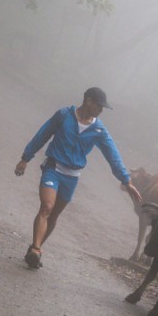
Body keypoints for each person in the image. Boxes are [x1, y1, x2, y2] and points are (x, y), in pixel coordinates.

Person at [15, 87, 142, 270]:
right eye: (99, 106)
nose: (101, 110)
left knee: (54, 215)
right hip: (53, 168)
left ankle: (36, 247)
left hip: (72, 177)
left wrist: (126, 181)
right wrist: (25, 158)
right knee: (47, 207)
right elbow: (42, 135)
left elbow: (112, 155)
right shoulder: (63, 115)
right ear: (88, 101)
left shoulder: (98, 129)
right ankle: (35, 249)